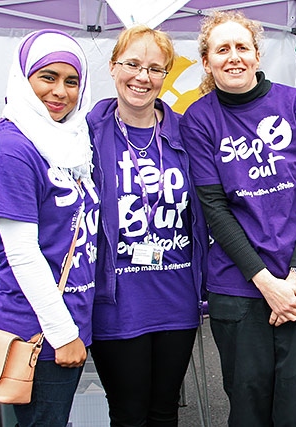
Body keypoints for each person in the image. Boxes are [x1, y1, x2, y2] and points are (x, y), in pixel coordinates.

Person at [180, 10, 296, 426]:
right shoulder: (199, 119)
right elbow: (214, 208)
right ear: (207, 60)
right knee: (248, 409)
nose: (233, 57)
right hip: (240, 287)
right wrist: (267, 283)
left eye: (242, 47)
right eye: (222, 49)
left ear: (256, 54)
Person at [87, 25, 207, 426]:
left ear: (166, 74)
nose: (143, 76)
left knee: (164, 411)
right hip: (118, 300)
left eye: (155, 69)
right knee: (128, 413)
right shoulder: (87, 133)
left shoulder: (186, 133)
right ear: (113, 66)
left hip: (176, 298)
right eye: (132, 64)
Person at [0, 29, 98, 426]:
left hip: (70, 320)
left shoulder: (68, 139)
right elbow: (21, 253)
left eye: (72, 81)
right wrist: (62, 333)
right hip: (39, 331)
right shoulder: (14, 146)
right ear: (24, 79)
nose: (60, 92)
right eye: (47, 77)